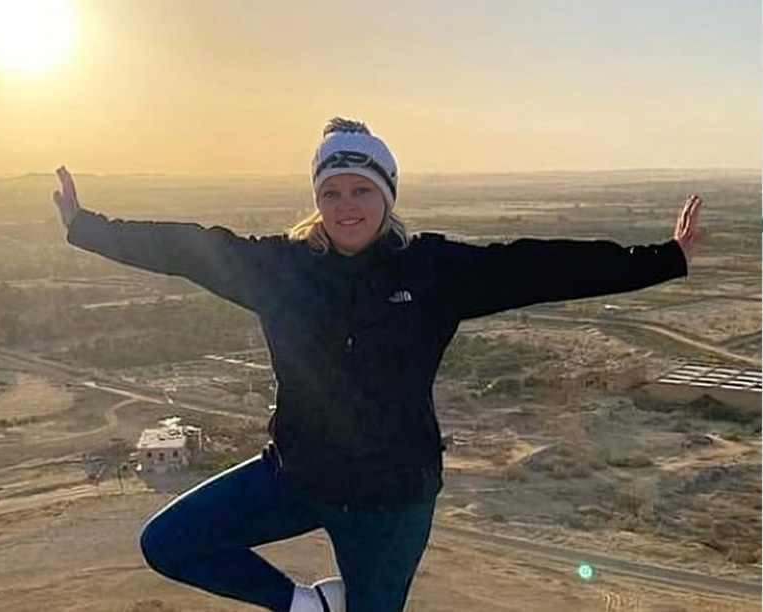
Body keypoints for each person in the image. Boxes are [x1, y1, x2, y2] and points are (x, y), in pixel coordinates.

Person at [53, 117, 704, 612]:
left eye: (361, 189)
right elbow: (185, 248)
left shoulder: (432, 270)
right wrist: (86, 226)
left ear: (387, 194)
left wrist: (665, 258)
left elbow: (541, 267)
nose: (346, 204)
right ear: (317, 198)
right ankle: (307, 606)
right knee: (169, 542)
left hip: (391, 500)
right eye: (332, 191)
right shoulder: (278, 268)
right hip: (296, 475)